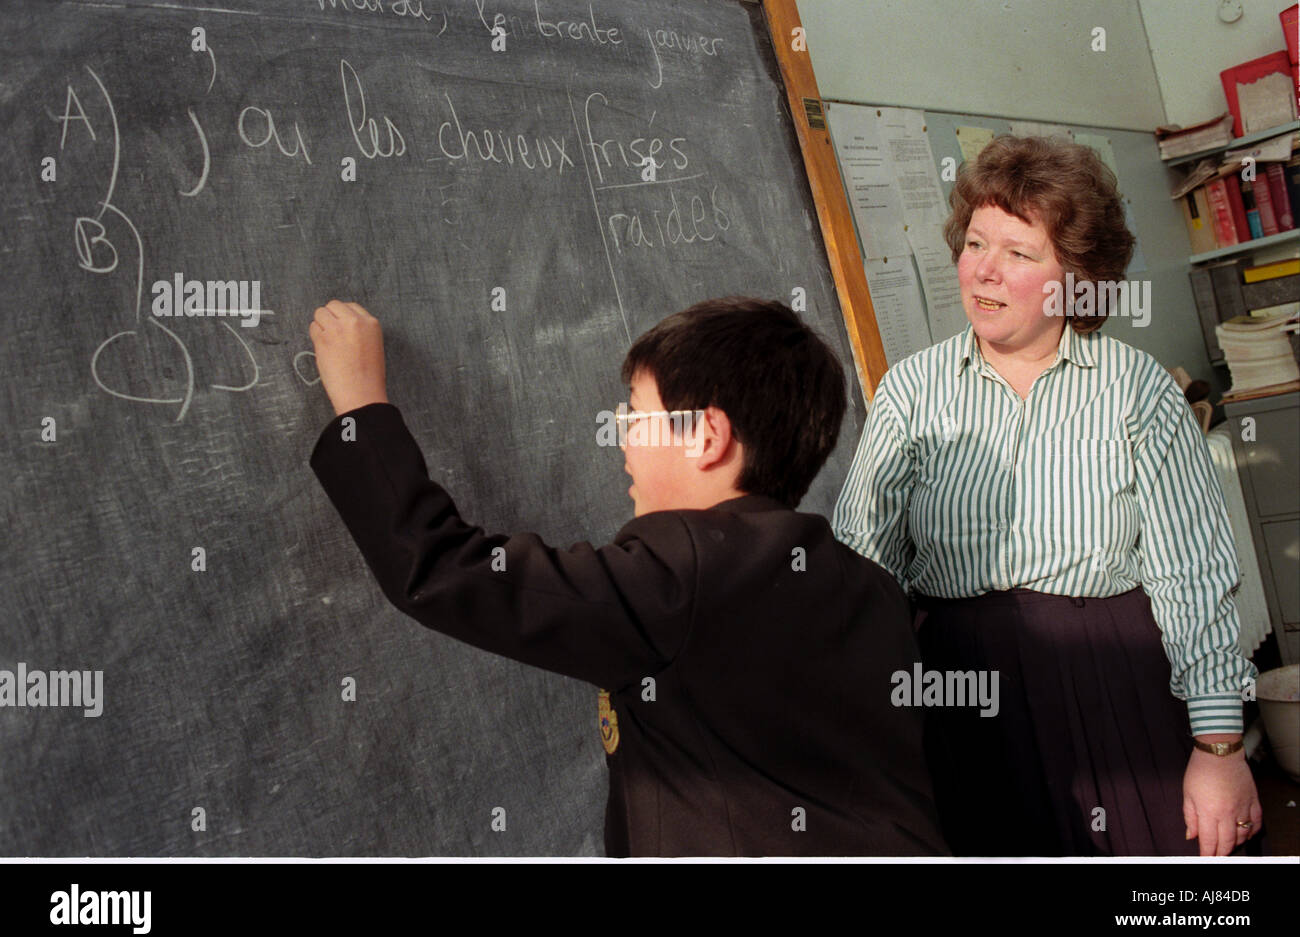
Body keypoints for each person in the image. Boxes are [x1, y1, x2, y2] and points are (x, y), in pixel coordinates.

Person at [307, 295, 948, 857]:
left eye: (635, 415)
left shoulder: (686, 574)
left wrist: (361, 408)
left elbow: (446, 571)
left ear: (706, 438)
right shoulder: (870, 586)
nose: (621, 439)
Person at [832, 136, 1262, 857]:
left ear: (1077, 277)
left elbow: (1192, 578)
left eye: (1019, 254)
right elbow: (865, 574)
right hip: (963, 699)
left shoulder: (1136, 389)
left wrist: (1218, 752)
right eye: (974, 243)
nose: (983, 271)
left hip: (1114, 685)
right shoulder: (910, 391)